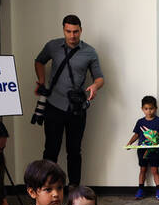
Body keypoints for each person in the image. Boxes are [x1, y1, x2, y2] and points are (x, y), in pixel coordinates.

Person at [33, 14, 105, 186]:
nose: (72, 36)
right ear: (63, 30)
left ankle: (74, 188)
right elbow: (39, 61)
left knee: (74, 150)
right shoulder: (52, 46)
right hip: (54, 105)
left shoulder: (89, 52)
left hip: (76, 108)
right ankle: (48, 186)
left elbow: (100, 77)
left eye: (76, 32)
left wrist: (95, 87)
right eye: (69, 31)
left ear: (81, 30)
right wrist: (41, 80)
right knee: (51, 149)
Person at [126, 95, 159, 200]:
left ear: (155, 108)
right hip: (142, 151)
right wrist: (129, 143)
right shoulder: (140, 122)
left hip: (155, 151)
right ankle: (140, 189)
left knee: (155, 170)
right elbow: (136, 134)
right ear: (142, 109)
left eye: (151, 108)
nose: (149, 111)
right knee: (143, 170)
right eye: (146, 109)